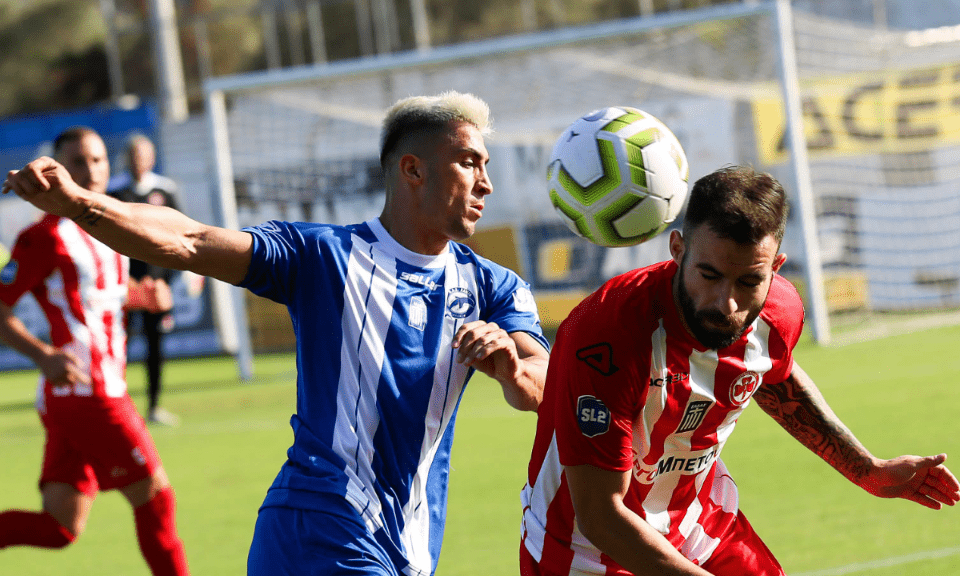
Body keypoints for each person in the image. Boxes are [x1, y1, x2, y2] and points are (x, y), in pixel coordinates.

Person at [3, 91, 551, 576]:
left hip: (408, 544)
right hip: (319, 527)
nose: (486, 180)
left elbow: (543, 384)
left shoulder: (493, 286)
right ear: (412, 169)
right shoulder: (322, 256)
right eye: (468, 162)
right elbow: (191, 239)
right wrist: (80, 204)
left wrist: (511, 366)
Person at [518, 165, 960, 576]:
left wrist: (868, 469)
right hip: (583, 550)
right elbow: (601, 516)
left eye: (749, 282)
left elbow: (774, 377)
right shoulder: (609, 336)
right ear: (677, 249)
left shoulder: (779, 312)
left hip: (698, 522)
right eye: (708, 275)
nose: (725, 304)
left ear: (776, 269)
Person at [0, 127, 189, 575]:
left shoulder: (112, 225)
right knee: (157, 498)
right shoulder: (45, 237)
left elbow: (100, 295)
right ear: (58, 170)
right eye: (78, 162)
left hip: (76, 399)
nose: (91, 171)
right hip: (91, 395)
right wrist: (43, 355)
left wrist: (141, 297)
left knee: (60, 527)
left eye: (99, 160)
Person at [109, 134, 183, 426]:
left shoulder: (164, 190)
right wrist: (123, 282)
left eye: (144, 155)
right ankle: (117, 407)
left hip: (156, 288)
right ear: (127, 158)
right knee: (116, 346)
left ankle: (153, 406)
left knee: (156, 346)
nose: (139, 160)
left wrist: (169, 279)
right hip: (122, 288)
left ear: (152, 158)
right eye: (134, 155)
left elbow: (180, 236)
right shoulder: (114, 191)